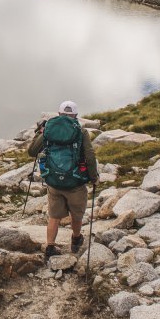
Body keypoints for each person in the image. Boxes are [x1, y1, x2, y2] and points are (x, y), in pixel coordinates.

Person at [27, 100, 98, 257]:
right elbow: (90, 156)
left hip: (54, 182)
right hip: (76, 182)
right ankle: (76, 240)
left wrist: (40, 132)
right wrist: (94, 178)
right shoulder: (81, 131)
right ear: (76, 115)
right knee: (76, 215)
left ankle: (50, 247)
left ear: (59, 114)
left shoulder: (49, 130)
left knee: (54, 216)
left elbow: (32, 152)